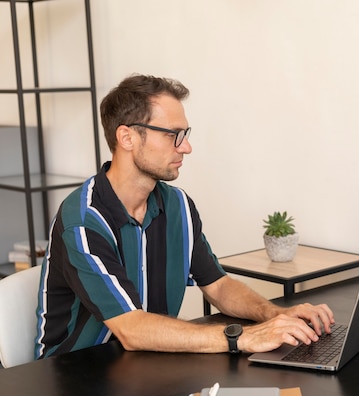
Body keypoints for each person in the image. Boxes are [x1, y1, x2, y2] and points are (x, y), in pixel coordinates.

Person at [35, 74, 334, 359]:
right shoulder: (83, 219)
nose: (186, 147)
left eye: (185, 134)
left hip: (147, 365)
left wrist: (275, 314)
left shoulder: (177, 205)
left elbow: (218, 285)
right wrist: (241, 338)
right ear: (126, 137)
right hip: (75, 378)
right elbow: (131, 329)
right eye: (172, 136)